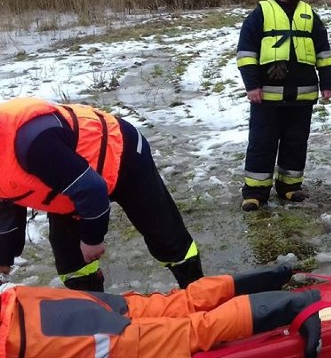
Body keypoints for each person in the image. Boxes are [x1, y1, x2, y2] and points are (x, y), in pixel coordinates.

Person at [0, 97, 204, 291]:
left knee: (166, 237)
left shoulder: (33, 143)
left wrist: (92, 239)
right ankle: (98, 317)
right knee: (71, 264)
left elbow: (92, 189)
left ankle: (199, 294)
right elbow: (7, 206)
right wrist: (3, 257)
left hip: (121, 153)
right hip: (69, 185)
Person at [0, 264, 322, 358]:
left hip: (31, 342)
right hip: (22, 303)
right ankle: (276, 274)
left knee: (190, 332)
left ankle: (297, 305)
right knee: (174, 304)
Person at [237, 0, 331, 212]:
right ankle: (255, 192)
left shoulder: (310, 14)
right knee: (262, 142)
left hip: (302, 95)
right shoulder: (261, 13)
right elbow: (246, 53)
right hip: (267, 96)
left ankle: (289, 186)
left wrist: (327, 83)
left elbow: (323, 52)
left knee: (296, 141)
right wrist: (252, 85)